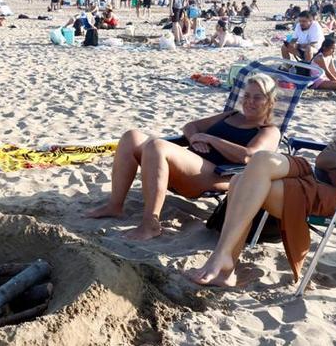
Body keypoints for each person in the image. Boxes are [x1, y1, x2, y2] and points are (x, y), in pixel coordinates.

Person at [185, 47, 336, 286]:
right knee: (260, 160)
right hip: (320, 181)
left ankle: (223, 262)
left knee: (241, 181)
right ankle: (224, 261)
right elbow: (324, 159)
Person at [86, 74, 282, 240]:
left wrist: (210, 139)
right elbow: (190, 126)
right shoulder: (230, 115)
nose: (249, 101)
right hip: (191, 164)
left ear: (270, 101)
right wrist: (195, 138)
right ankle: (115, 205)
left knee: (156, 145)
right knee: (132, 136)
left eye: (258, 98)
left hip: (218, 175)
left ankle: (150, 223)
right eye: (247, 95)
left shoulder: (269, 130)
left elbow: (248, 157)